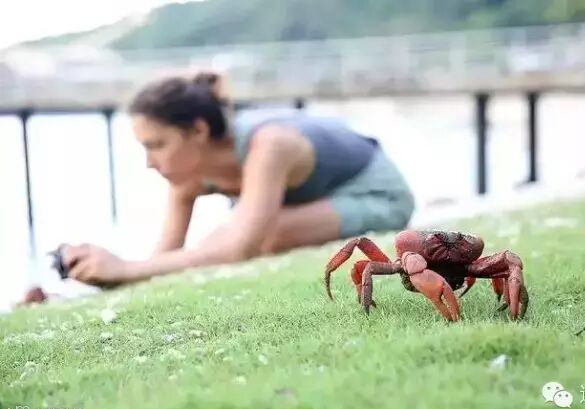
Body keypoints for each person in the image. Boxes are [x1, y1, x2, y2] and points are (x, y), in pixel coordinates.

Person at [59, 72, 415, 287]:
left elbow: (238, 248)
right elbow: (162, 259)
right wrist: (103, 271)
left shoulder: (270, 144)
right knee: (244, 231)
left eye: (157, 145)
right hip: (311, 202)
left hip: (376, 194)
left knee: (265, 233)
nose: (149, 163)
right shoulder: (186, 173)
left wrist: (124, 268)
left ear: (198, 130)